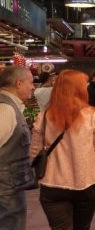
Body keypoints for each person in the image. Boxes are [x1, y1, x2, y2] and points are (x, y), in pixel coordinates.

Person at [29, 70, 95, 230]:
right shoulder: (93, 116)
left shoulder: (44, 116)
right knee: (83, 226)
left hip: (52, 184)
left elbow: (34, 153)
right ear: (80, 89)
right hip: (87, 181)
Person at [0, 66, 36, 230]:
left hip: (9, 187)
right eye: (31, 82)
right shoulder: (5, 110)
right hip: (6, 190)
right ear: (19, 83)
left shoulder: (10, 107)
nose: (33, 87)